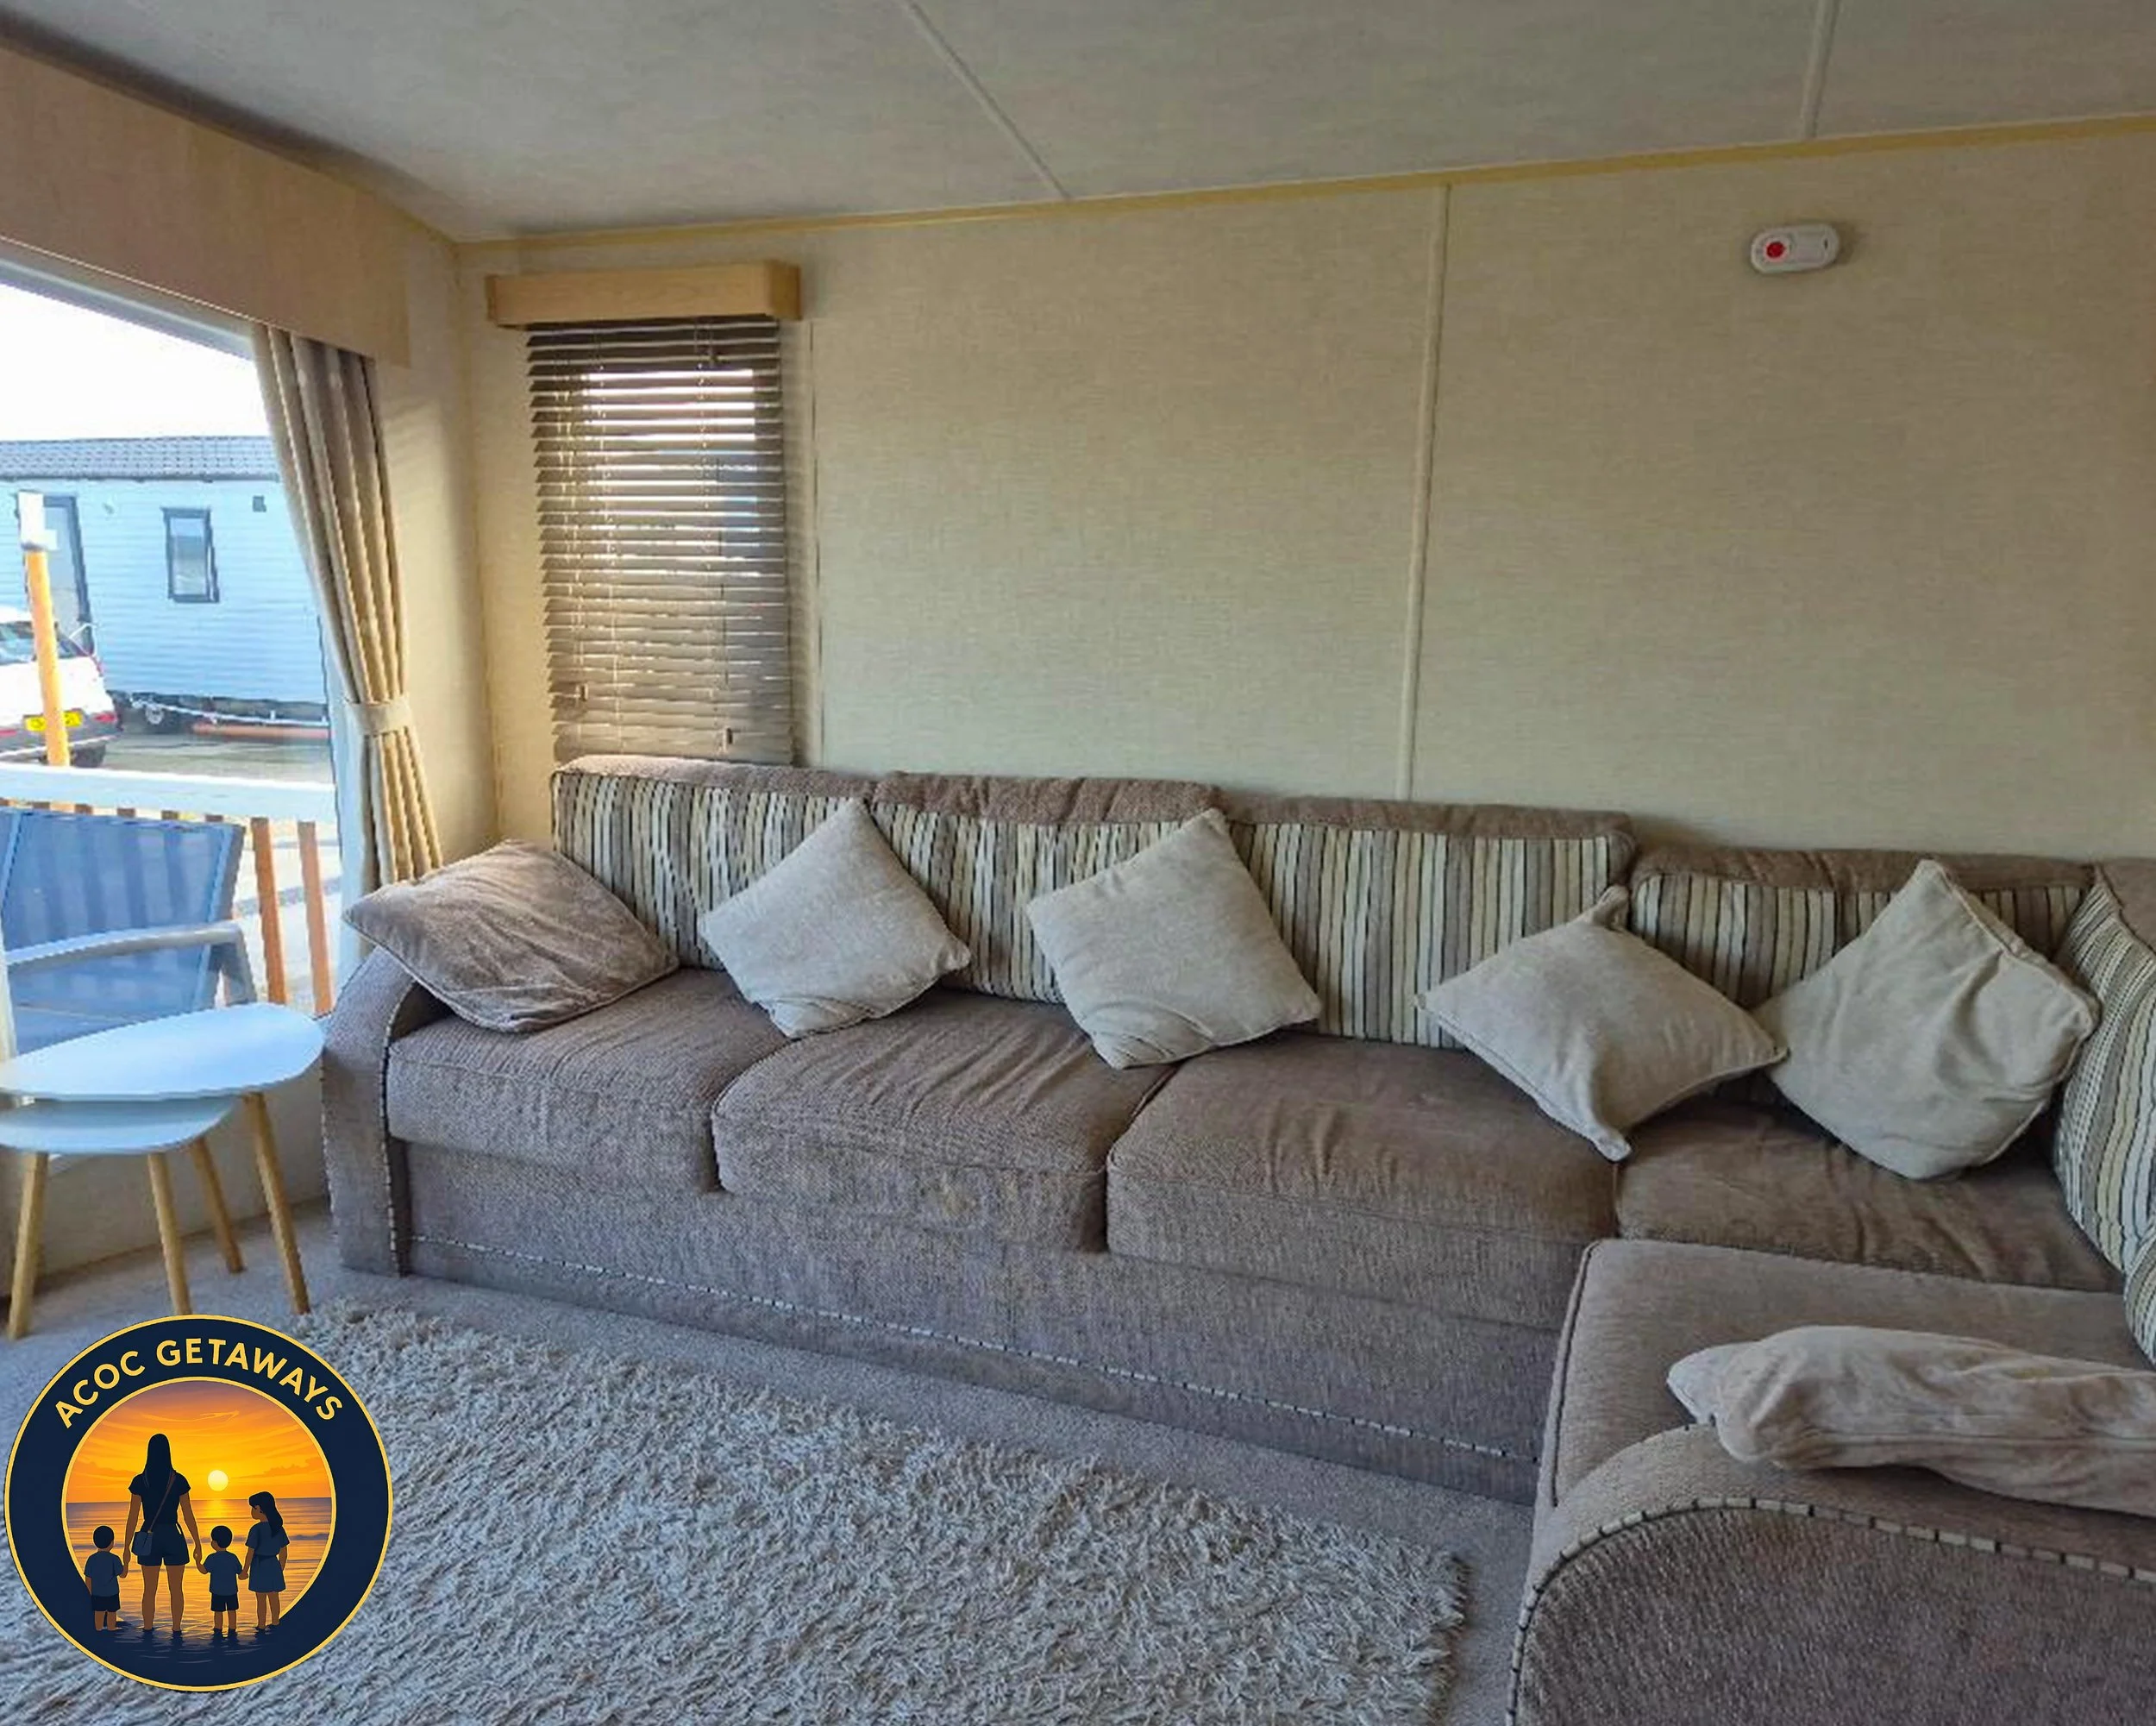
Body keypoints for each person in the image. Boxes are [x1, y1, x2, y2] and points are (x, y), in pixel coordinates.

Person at [120, 1434, 201, 1634]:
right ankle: (176, 1629)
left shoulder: (140, 1481)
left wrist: (126, 1547)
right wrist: (197, 1543)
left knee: (149, 1590)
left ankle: (148, 1628)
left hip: (149, 1536)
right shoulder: (179, 1480)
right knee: (176, 1589)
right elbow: (188, 1514)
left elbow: (133, 1516)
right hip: (173, 1535)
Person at [245, 1491, 288, 1629]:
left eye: (252, 1508)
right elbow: (284, 1550)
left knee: (261, 1599)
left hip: (259, 1565)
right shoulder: (278, 1528)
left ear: (258, 1508)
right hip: (273, 1565)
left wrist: (245, 1570)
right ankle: (276, 1622)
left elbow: (250, 1552)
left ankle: (261, 1625)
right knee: (274, 1597)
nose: (251, 1511)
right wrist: (280, 1567)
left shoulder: (256, 1529)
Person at [198, 1526, 243, 1636]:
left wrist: (197, 1562)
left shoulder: (212, 1558)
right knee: (232, 1611)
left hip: (217, 1591)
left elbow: (204, 1570)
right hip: (232, 1591)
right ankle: (232, 1629)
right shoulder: (233, 1557)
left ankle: (218, 1629)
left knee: (218, 1612)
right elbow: (240, 1572)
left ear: (215, 1542)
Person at [83, 1525, 124, 1631]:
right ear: (112, 1543)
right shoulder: (115, 1559)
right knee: (112, 1612)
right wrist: (126, 1564)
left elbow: (88, 1578)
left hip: (97, 1593)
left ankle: (98, 1629)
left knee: (99, 1612)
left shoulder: (91, 1559)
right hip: (112, 1593)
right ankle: (111, 1628)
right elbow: (122, 1574)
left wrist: (89, 1593)